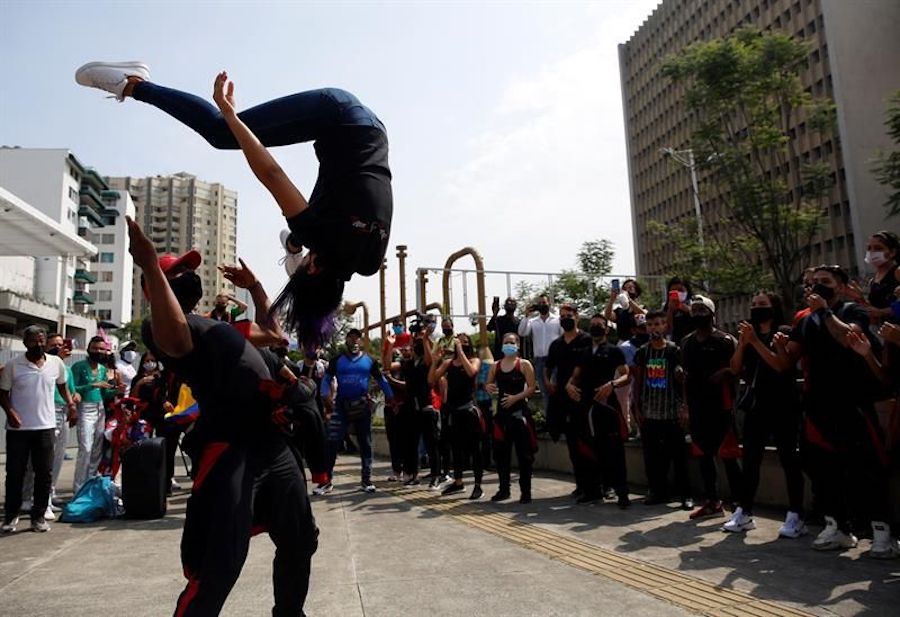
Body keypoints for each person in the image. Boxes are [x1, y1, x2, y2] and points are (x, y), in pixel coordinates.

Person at [76, 63, 392, 352]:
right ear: (312, 267)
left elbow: (345, 223)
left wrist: (299, 245)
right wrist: (231, 116)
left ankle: (293, 243)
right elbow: (272, 174)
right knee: (220, 132)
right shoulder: (319, 235)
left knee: (316, 217)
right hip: (336, 115)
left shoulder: (368, 262)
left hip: (372, 131)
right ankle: (133, 84)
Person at [127, 217, 319, 616]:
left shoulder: (219, 327)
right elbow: (176, 339)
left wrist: (255, 288)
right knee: (221, 561)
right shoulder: (161, 329)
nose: (187, 274)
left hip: (273, 444)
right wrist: (148, 263)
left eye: (187, 269)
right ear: (154, 286)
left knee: (300, 540)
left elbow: (276, 335)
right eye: (175, 271)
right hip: (230, 447)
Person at [786, 264, 897, 557]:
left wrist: (824, 312)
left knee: (868, 468)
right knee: (824, 470)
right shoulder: (805, 320)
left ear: (842, 285)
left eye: (825, 281)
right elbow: (789, 356)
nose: (818, 286)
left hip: (853, 402)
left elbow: (849, 338)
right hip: (819, 406)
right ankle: (838, 526)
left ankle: (882, 531)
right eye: (813, 282)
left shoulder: (852, 311)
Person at [727, 292, 805, 537]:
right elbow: (736, 368)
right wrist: (743, 343)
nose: (756, 308)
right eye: (753, 304)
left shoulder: (784, 331)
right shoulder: (748, 336)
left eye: (762, 304)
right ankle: (744, 511)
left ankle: (796, 515)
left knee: (788, 458)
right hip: (756, 405)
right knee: (750, 459)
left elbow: (782, 365)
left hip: (783, 404)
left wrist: (757, 343)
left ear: (774, 307)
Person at [1, 326, 77, 534]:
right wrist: (10, 412)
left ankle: (38, 516)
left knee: (44, 473)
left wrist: (70, 404)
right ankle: (11, 515)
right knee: (15, 473)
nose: (39, 345)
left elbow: (62, 385)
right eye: (34, 341)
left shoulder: (56, 363)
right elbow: (2, 392)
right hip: (19, 430)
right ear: (25, 343)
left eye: (42, 341)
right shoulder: (13, 365)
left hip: (46, 427)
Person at [679, 295, 743, 521]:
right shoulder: (686, 342)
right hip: (697, 406)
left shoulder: (726, 340)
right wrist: (685, 406)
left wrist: (725, 373)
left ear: (711, 313)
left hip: (722, 405)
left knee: (729, 455)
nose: (697, 314)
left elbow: (738, 369)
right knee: (703, 456)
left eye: (701, 310)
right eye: (694, 310)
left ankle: (740, 503)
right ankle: (712, 502)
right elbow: (685, 376)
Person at [566, 314, 631, 508]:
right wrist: (569, 385)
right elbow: (575, 377)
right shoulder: (584, 352)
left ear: (607, 329)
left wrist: (612, 384)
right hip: (586, 406)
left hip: (607, 405)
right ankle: (592, 491)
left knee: (615, 451)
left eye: (600, 325)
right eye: (593, 325)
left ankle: (622, 493)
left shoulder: (614, 351)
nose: (596, 328)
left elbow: (626, 375)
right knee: (588, 449)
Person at [320, 329, 394, 494]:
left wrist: (390, 396)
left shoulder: (369, 360)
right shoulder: (337, 360)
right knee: (332, 442)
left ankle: (366, 480)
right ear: (346, 340)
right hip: (340, 407)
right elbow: (326, 379)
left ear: (360, 341)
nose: (354, 340)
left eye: (357, 338)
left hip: (362, 406)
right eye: (351, 337)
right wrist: (325, 397)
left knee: (365, 443)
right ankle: (327, 481)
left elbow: (380, 379)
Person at [631, 311, 691, 510]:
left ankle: (685, 494)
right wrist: (636, 407)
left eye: (658, 324)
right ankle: (657, 491)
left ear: (665, 326)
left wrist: (685, 407)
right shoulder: (642, 352)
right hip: (650, 412)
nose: (654, 328)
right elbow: (637, 380)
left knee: (679, 455)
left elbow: (683, 381)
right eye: (650, 324)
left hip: (671, 411)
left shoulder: (674, 350)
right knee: (652, 456)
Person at [21, 334, 80, 519]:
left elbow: (68, 389)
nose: (59, 347)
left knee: (56, 458)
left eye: (61, 344)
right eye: (54, 345)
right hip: (45, 413)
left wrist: (74, 401)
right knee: (37, 459)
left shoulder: (65, 368)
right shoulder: (38, 365)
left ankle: (47, 496)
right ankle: (27, 497)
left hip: (62, 412)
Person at [544, 303, 592, 498]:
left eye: (569, 315)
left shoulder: (586, 340)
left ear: (577, 316)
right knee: (572, 444)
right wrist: (548, 382)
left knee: (588, 441)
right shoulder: (556, 344)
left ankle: (596, 484)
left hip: (583, 396)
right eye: (562, 316)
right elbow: (547, 367)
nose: (565, 319)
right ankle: (581, 484)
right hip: (564, 400)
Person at [430, 333, 484, 499]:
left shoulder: (474, 360)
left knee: (475, 448)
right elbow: (432, 379)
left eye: (465, 342)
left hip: (469, 409)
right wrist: (434, 362)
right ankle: (458, 482)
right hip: (454, 411)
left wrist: (460, 351)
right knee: (457, 448)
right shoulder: (449, 363)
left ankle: (477, 485)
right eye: (459, 341)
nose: (461, 343)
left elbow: (471, 372)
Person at [486, 333, 537, 503]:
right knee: (501, 455)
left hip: (519, 414)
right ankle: (503, 489)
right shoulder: (495, 366)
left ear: (518, 345)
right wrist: (489, 387)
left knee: (524, 456)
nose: (508, 345)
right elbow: (488, 385)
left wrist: (516, 397)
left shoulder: (524, 364)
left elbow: (531, 388)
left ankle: (526, 491)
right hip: (501, 417)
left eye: (511, 342)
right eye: (505, 342)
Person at [383, 330, 434, 487]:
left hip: (423, 407)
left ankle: (431, 474)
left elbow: (430, 360)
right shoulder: (406, 364)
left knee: (428, 443)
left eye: (412, 347)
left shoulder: (423, 364)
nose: (410, 349)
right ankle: (411, 474)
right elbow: (387, 366)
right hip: (408, 408)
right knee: (409, 443)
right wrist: (390, 346)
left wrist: (425, 339)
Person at [71, 336, 115, 493]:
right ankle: (78, 488)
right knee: (86, 449)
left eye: (102, 349)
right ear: (88, 349)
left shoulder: (103, 369)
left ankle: (90, 484)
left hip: (100, 409)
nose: (99, 352)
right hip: (85, 408)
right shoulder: (78, 366)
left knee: (97, 450)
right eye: (95, 348)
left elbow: (105, 392)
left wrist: (117, 389)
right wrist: (91, 385)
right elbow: (73, 388)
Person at [518, 294, 561, 415]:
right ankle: (550, 421)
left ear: (549, 304)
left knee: (557, 390)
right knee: (545, 392)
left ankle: (560, 421)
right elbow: (522, 332)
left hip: (555, 360)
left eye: (544, 303)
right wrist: (526, 315)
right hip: (540, 361)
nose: (542, 305)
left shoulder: (557, 320)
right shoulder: (533, 321)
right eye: (540, 303)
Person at [861, 231, 900, 326]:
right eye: (869, 248)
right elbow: (874, 314)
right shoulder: (872, 281)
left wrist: (882, 312)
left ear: (892, 252)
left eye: (878, 248)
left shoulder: (897, 272)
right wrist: (858, 298)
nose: (872, 252)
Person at [605, 279, 647, 343]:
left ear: (636, 290)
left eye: (630, 288)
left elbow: (643, 314)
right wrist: (611, 300)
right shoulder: (620, 311)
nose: (627, 290)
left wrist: (628, 299)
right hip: (623, 342)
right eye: (625, 289)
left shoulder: (642, 307)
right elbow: (608, 316)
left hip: (639, 342)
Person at [487, 297, 521, 361]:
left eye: (512, 302)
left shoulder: (519, 322)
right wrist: (495, 313)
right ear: (504, 306)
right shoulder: (499, 319)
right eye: (507, 302)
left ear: (516, 306)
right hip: (500, 355)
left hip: (515, 355)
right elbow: (489, 328)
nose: (509, 303)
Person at [663, 277, 695, 344]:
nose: (678, 293)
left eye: (680, 290)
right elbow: (668, 329)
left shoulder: (695, 302)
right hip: (677, 341)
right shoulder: (667, 307)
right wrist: (670, 311)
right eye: (674, 291)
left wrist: (688, 310)